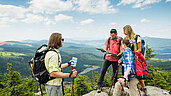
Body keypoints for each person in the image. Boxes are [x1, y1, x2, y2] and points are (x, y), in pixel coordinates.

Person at [97, 29, 123, 93]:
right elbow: (106, 48)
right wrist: (103, 50)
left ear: (116, 34)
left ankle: (115, 86)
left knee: (115, 74)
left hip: (115, 59)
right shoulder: (109, 39)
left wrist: (117, 55)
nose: (112, 36)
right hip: (107, 58)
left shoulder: (120, 40)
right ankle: (99, 86)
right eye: (111, 35)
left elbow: (122, 51)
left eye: (113, 35)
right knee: (102, 71)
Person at [123, 25, 147, 93]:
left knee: (138, 72)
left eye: (124, 31)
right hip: (132, 56)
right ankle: (131, 86)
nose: (124, 33)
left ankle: (143, 87)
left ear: (128, 30)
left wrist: (132, 54)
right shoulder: (127, 38)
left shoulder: (137, 37)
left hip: (136, 57)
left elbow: (139, 49)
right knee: (130, 71)